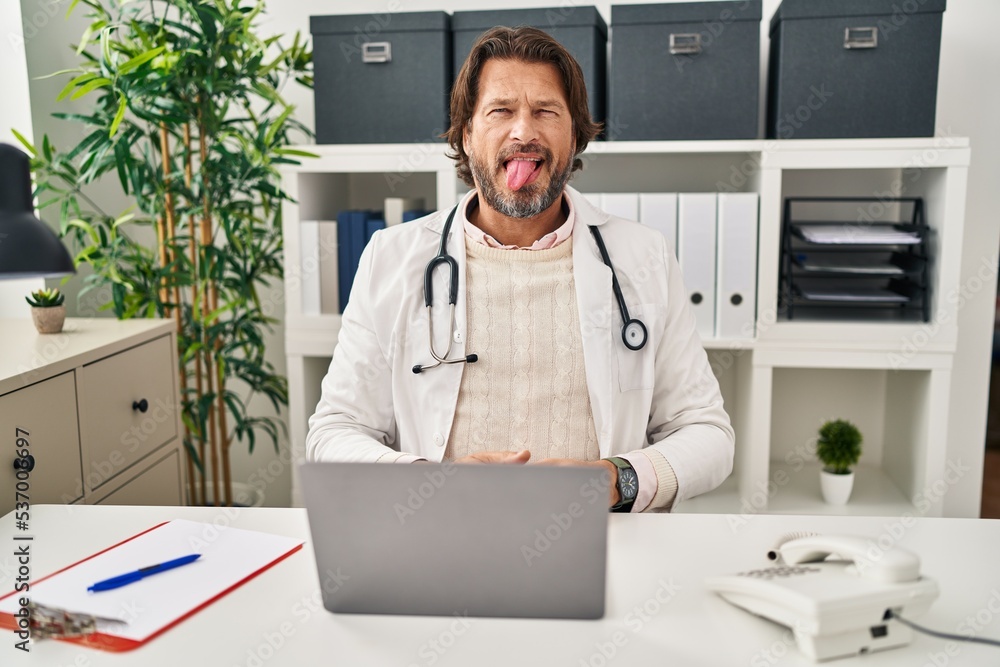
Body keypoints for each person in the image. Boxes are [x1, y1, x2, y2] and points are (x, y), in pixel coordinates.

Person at [306, 26, 734, 512]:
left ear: (574, 136)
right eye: (501, 111)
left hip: (603, 541)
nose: (523, 132)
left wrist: (616, 480)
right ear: (467, 136)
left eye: (546, 111)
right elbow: (334, 433)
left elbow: (707, 434)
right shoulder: (391, 255)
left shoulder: (644, 256)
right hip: (443, 535)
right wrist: (428, 481)